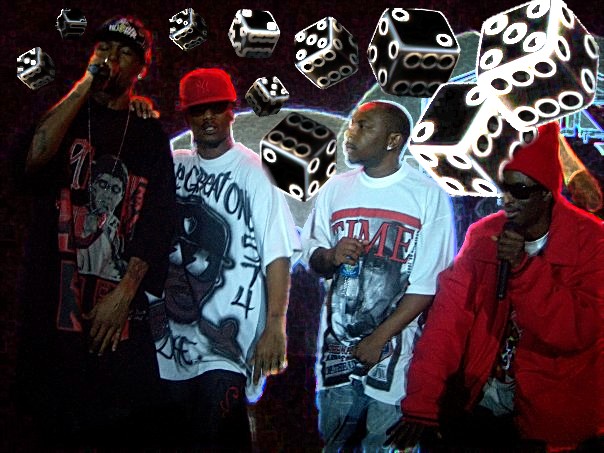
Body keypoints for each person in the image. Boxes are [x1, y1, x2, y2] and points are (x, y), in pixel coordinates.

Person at [387, 122, 603, 452]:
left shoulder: (591, 241)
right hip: (486, 401)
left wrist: (523, 268)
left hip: (556, 416)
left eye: (520, 191)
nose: (507, 200)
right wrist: (422, 402)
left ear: (546, 193)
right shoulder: (484, 236)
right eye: (504, 188)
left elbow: (574, 331)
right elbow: (448, 322)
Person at [15, 15, 176, 448]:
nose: (111, 59)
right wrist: (86, 83)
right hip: (51, 320)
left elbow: (159, 222)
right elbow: (32, 160)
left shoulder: (147, 135)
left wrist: (125, 293)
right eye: (103, 48)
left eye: (125, 53)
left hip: (113, 324)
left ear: (141, 69)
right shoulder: (65, 113)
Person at [149, 67, 300, 451]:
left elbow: (277, 253)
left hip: (227, 344)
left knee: (219, 437)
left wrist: (276, 325)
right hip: (169, 342)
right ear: (186, 115)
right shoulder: (175, 164)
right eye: (198, 110)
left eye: (216, 108)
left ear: (232, 111)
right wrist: (136, 116)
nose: (208, 118)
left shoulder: (254, 172)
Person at [300, 101, 456, 451]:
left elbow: (428, 286)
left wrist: (379, 338)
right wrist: (331, 255)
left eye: (364, 126)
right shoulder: (335, 189)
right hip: (336, 361)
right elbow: (312, 257)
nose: (350, 133)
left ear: (393, 140)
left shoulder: (427, 195)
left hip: (395, 364)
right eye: (352, 123)